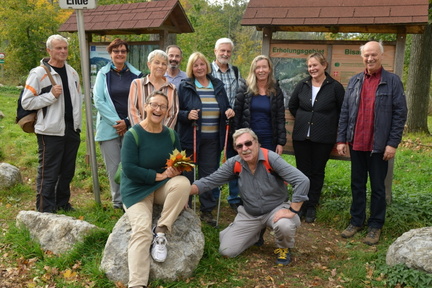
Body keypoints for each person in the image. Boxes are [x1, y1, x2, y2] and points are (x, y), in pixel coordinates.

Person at [190, 128, 309, 266]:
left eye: (248, 143)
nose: (244, 148)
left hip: (276, 209)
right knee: (226, 251)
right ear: (236, 149)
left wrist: (292, 210)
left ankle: (284, 248)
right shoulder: (234, 163)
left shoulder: (271, 158)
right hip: (250, 213)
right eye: (239, 146)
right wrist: (184, 190)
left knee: (284, 225)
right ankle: (256, 234)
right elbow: (210, 181)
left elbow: (302, 180)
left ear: (257, 143)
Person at [336, 41, 407, 245]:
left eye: (374, 54)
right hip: (356, 143)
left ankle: (375, 225)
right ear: (362, 57)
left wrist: (392, 143)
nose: (370, 58)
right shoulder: (355, 81)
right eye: (366, 55)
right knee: (357, 185)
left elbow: (400, 114)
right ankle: (356, 221)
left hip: (379, 146)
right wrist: (341, 139)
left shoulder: (392, 81)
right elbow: (345, 113)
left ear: (381, 55)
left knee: (377, 188)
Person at [120, 90, 190, 288]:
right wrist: (159, 175)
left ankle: (161, 230)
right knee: (141, 231)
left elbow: (180, 164)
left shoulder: (171, 134)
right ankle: (137, 284)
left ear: (168, 112)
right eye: (154, 105)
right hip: (136, 190)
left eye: (163, 107)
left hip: (161, 187)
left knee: (183, 184)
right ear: (145, 107)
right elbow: (129, 169)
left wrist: (176, 175)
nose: (158, 109)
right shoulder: (133, 135)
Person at [21, 34, 82, 213]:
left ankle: (62, 203)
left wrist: (77, 125)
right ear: (49, 50)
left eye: (65, 48)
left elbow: (77, 100)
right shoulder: (38, 73)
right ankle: (44, 208)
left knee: (67, 171)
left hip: (71, 129)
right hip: (50, 130)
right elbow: (27, 102)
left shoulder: (72, 72)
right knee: (49, 173)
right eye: (58, 48)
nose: (63, 51)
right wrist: (50, 95)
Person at [177, 52, 235, 227]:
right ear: (191, 68)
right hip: (191, 137)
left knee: (209, 175)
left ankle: (207, 210)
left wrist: (229, 111)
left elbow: (225, 106)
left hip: (213, 139)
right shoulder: (185, 85)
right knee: (187, 173)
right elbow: (176, 112)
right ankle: (183, 207)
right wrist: (188, 115)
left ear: (207, 66)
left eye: (202, 64)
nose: (200, 68)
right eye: (196, 65)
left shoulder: (217, 84)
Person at [234, 54, 286, 245]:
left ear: (269, 69)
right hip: (248, 142)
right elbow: (237, 116)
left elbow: (280, 117)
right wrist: (237, 143)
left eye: (265, 67)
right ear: (253, 70)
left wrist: (281, 141)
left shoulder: (275, 90)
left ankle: (268, 223)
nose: (261, 70)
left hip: (269, 140)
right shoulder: (245, 88)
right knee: (249, 179)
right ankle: (253, 227)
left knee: (267, 181)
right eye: (258, 67)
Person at [288, 53, 345, 223]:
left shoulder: (335, 87)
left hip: (323, 138)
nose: (312, 69)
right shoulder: (303, 85)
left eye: (315, 65)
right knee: (302, 173)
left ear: (324, 65)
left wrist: (325, 122)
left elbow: (343, 111)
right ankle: (299, 206)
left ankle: (311, 206)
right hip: (301, 137)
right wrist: (305, 119)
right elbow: (292, 105)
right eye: (309, 66)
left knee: (317, 172)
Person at [93, 38, 143, 210]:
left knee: (129, 165)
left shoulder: (136, 75)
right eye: (116, 51)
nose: (120, 54)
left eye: (123, 51)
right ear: (110, 54)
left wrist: (127, 122)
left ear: (126, 53)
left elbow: (140, 102)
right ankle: (117, 202)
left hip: (131, 127)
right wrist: (117, 122)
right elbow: (98, 100)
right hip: (109, 128)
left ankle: (130, 200)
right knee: (114, 167)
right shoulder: (103, 74)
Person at [211, 37, 242, 211]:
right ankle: (213, 196)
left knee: (234, 160)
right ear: (215, 51)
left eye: (228, 51)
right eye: (222, 50)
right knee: (213, 161)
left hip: (232, 123)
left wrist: (234, 109)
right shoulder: (206, 70)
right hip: (213, 123)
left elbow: (240, 96)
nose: (225, 54)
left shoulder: (236, 72)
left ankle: (234, 196)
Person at [128, 49, 178, 129]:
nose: (160, 66)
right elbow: (132, 111)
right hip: (140, 136)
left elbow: (173, 114)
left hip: (162, 137)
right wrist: (142, 132)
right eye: (157, 62)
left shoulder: (172, 88)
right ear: (149, 64)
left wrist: (161, 133)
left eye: (164, 64)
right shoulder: (137, 84)